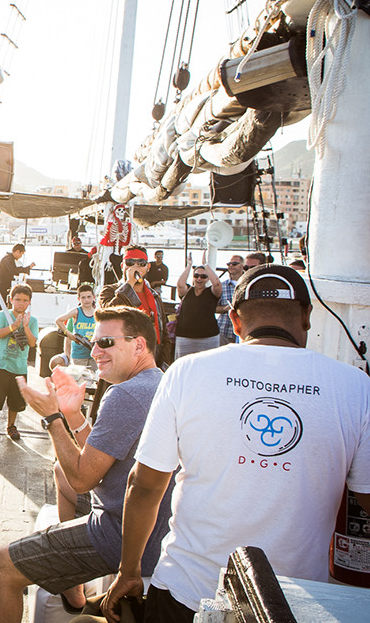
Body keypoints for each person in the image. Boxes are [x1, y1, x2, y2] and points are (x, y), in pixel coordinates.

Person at [102, 265, 370, 623]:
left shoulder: (186, 371)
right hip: (289, 603)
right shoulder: (356, 388)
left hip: (186, 591)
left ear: (235, 321)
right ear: (307, 317)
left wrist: (129, 571)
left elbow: (146, 485)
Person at [0, 306, 172, 623]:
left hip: (125, 533)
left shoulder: (125, 395)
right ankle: (73, 588)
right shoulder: (159, 382)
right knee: (60, 472)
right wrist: (74, 416)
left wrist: (53, 417)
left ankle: (70, 574)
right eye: (93, 342)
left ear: (139, 345)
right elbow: (103, 456)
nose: (95, 351)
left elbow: (83, 479)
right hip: (158, 527)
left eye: (106, 343)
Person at [0, 285, 38, 441]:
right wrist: (13, 326)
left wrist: (25, 326)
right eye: (17, 300)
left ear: (29, 302)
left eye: (25, 300)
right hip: (1, 364)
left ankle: (11, 425)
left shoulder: (32, 320)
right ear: (11, 300)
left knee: (15, 401)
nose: (21, 304)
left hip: (19, 367)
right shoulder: (3, 315)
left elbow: (32, 343)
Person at [99, 245, 169, 366]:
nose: (135, 267)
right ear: (122, 266)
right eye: (130, 262)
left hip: (149, 362)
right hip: (120, 362)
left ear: (148, 267)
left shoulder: (154, 296)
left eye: (141, 263)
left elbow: (164, 333)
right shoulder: (109, 291)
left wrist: (163, 362)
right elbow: (107, 315)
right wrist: (129, 284)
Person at [173, 252, 222, 359]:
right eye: (196, 276)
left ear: (208, 279)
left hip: (209, 337)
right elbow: (180, 284)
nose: (199, 279)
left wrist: (206, 265)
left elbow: (217, 284)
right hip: (185, 336)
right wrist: (189, 266)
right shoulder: (187, 292)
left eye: (203, 276)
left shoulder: (212, 293)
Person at [52, 283, 97, 373]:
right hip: (78, 354)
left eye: (89, 297)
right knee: (78, 379)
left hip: (94, 353)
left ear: (94, 297)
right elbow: (58, 320)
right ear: (78, 299)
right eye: (83, 297)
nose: (86, 300)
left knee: (93, 379)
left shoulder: (98, 313)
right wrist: (68, 334)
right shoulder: (77, 311)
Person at [0, 243, 35, 311]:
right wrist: (27, 268)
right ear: (17, 252)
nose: (21, 256)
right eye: (21, 254)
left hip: (2, 286)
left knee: (1, 305)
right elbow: (14, 270)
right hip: (0, 286)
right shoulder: (8, 259)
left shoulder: (9, 258)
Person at [215, 254, 245, 345]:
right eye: (229, 264)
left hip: (244, 332)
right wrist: (227, 308)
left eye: (234, 264)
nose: (231, 266)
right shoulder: (222, 285)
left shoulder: (249, 284)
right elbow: (213, 308)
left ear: (242, 266)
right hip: (224, 331)